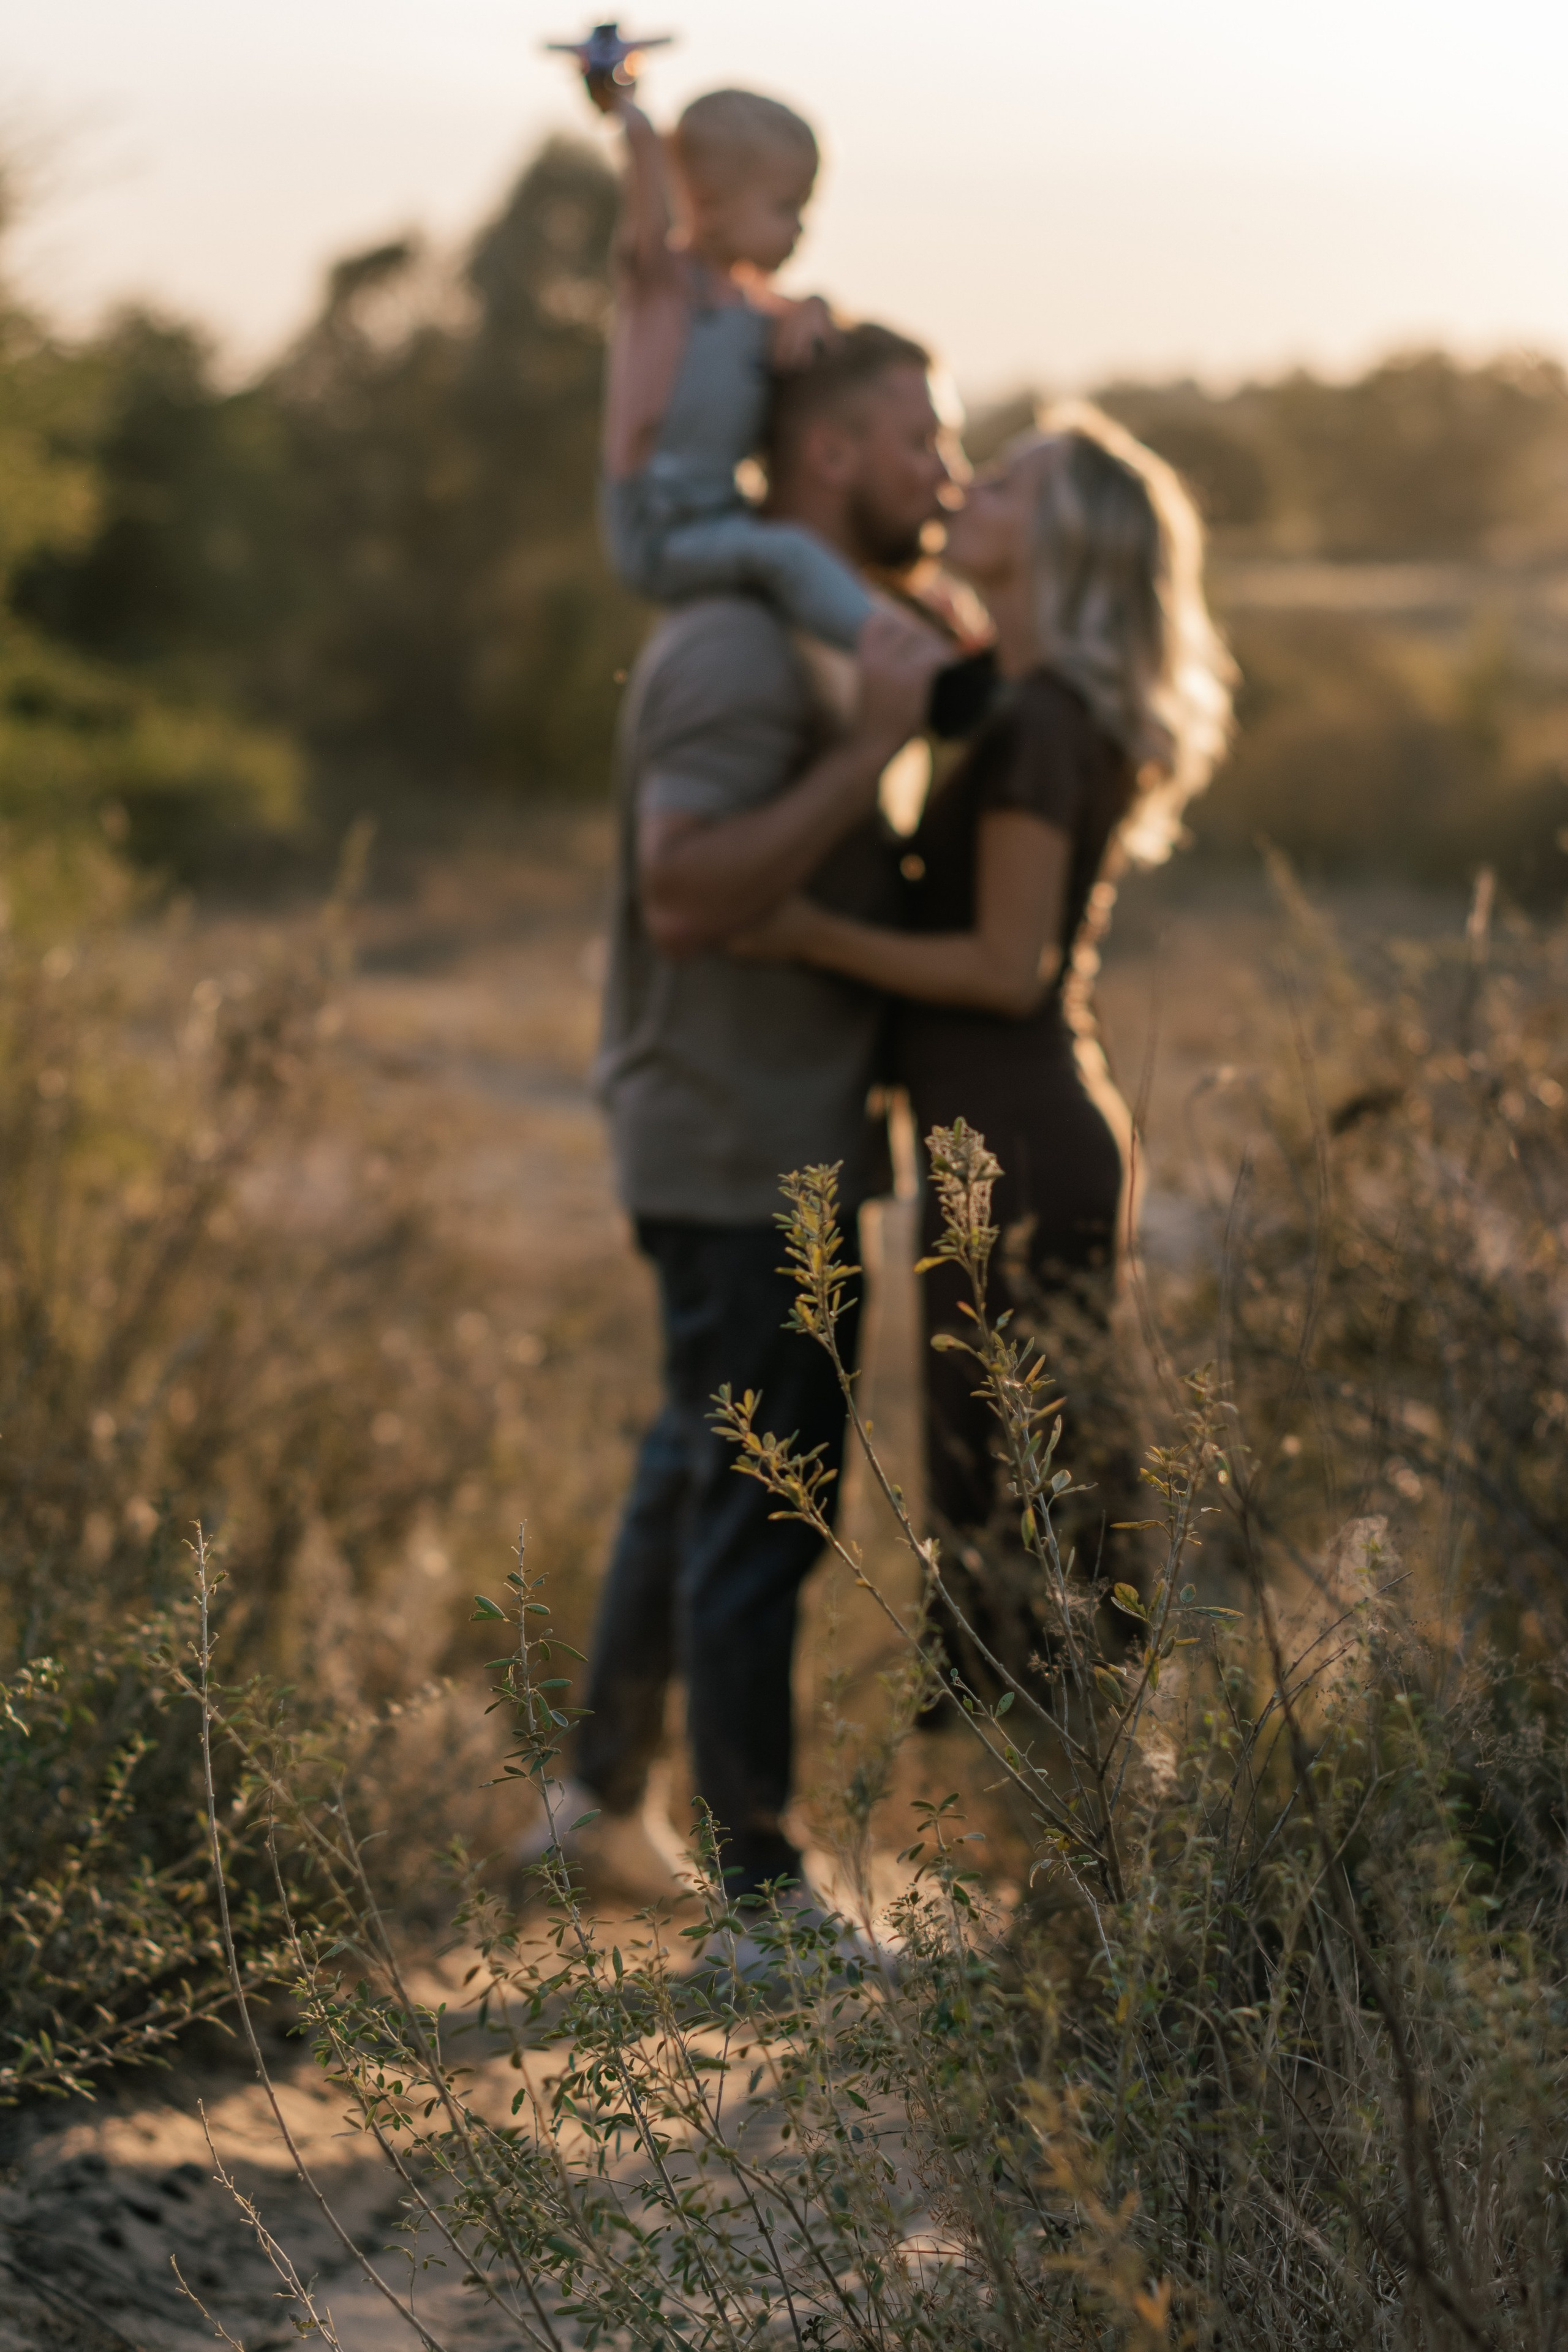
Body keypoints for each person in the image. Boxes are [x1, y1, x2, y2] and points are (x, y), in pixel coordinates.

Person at [529, 326, 953, 1908]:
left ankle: (595, 1804)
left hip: (757, 1122)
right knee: (767, 1499)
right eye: (921, 441)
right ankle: (762, 1897)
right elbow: (686, 890)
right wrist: (872, 752)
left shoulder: (819, 623)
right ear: (828, 454)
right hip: (736, 1137)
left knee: (695, 1462)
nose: (946, 473)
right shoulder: (734, 645)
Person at [734, 403, 1235, 1653]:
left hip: (1016, 1147)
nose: (966, 488)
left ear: (1061, 543)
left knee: (1024, 1495)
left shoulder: (1042, 724)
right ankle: (1068, 1760)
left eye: (1005, 483)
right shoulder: (1018, 698)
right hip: (1000, 1139)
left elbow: (1006, 971)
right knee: (1014, 1485)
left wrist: (804, 933)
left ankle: (1067, 1757)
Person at [595, 79, 882, 654]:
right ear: (708, 203)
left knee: (818, 541)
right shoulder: (665, 291)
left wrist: (818, 306)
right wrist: (629, 114)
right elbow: (647, 200)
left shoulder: (759, 307)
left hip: (725, 517)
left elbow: (813, 321)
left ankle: (900, 629)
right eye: (786, 207)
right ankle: (898, 656)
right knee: (792, 554)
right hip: (660, 532)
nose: (801, 228)